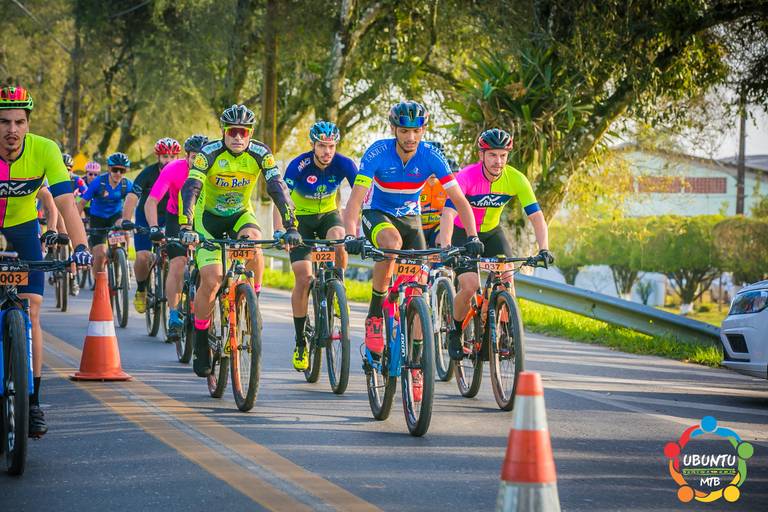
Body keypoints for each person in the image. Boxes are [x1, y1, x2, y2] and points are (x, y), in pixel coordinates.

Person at [342, 100, 484, 364]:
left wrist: (473, 236)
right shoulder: (377, 152)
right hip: (378, 214)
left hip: (411, 219)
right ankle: (375, 315)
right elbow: (354, 202)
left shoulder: (431, 156)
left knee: (418, 289)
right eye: (405, 131)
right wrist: (351, 235)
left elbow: (460, 200)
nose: (411, 137)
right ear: (394, 129)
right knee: (392, 243)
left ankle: (417, 361)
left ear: (423, 130)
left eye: (416, 131)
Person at [179, 104, 299, 377]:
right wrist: (186, 225)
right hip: (208, 219)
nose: (237, 136)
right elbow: (192, 187)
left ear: (250, 133)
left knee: (254, 242)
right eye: (232, 131)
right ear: (223, 131)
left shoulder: (261, 153)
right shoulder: (208, 153)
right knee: (212, 279)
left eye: (242, 132)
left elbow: (277, 188)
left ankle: (252, 301)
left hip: (239, 215)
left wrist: (291, 225)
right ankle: (201, 341)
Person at [0, 85, 92, 437]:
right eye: (4, 122)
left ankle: (33, 402)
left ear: (28, 124)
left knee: (32, 310)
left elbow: (66, 202)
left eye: (19, 122)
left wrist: (80, 247)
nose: (12, 130)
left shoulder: (45, 149)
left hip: (24, 231)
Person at [437, 128, 554, 360]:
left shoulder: (516, 179)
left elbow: (536, 216)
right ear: (481, 155)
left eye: (503, 155)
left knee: (506, 279)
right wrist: (447, 247)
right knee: (470, 286)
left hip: (492, 233)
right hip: (462, 234)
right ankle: (455, 331)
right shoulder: (466, 177)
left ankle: (506, 332)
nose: (498, 161)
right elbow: (448, 214)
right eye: (492, 155)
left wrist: (544, 248)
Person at [276, 121, 356, 371]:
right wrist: (281, 231)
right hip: (300, 221)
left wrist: (355, 229)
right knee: (303, 278)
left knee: (340, 238)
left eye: (331, 146)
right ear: (313, 145)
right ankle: (300, 342)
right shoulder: (299, 165)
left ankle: (338, 287)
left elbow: (361, 194)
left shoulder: (344, 164)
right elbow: (281, 199)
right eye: (322, 146)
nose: (327, 151)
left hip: (328, 216)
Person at [145, 134, 208, 341]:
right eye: (194, 157)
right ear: (186, 156)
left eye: (202, 157)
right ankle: (173, 315)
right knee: (178, 263)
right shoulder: (173, 169)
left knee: (209, 267)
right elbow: (152, 201)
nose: (198, 162)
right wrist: (154, 227)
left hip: (203, 218)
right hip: (176, 217)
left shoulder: (215, 170)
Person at [121, 137, 181, 314]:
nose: (168, 160)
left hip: (170, 217)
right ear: (158, 157)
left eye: (172, 156)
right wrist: (126, 219)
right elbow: (132, 197)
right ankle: (141, 289)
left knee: (178, 257)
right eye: (165, 156)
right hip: (145, 217)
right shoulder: (148, 173)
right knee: (143, 257)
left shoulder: (181, 171)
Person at [79, 152, 133, 273]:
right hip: (98, 217)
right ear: (109, 169)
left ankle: (125, 257)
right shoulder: (98, 182)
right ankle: (99, 280)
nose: (118, 173)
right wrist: (76, 221)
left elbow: (135, 201)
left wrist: (127, 220)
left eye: (122, 171)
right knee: (100, 255)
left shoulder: (127, 184)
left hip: (115, 216)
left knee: (124, 228)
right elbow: (82, 203)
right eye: (115, 170)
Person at [418, 141, 453, 248]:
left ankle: (440, 259)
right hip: (416, 228)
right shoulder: (414, 182)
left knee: (441, 243)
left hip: (436, 228)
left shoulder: (449, 184)